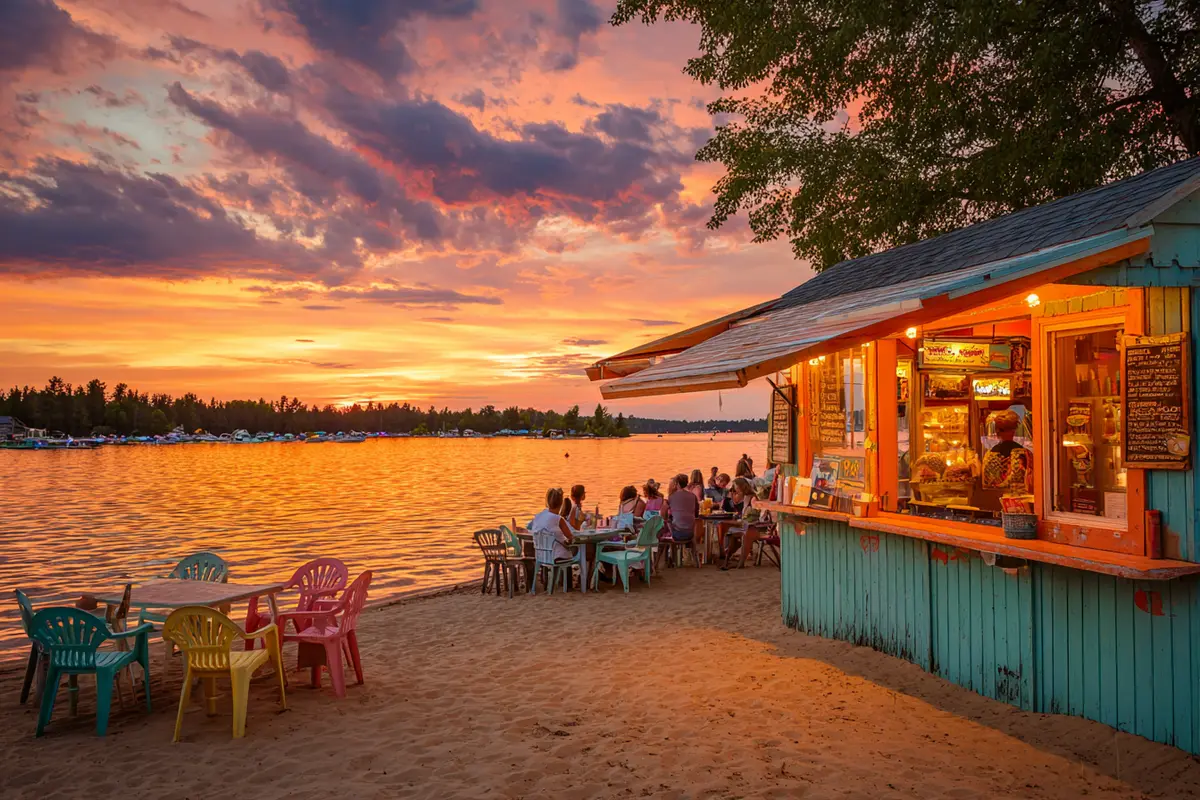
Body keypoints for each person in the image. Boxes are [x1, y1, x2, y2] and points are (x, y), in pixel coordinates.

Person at [982, 409, 1033, 493]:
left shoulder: (990, 454)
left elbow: (987, 482)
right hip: (1017, 496)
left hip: (995, 495)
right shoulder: (1024, 453)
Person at [720, 477, 762, 569]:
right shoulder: (745, 497)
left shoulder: (752, 498)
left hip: (754, 526)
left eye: (735, 487)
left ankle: (739, 562)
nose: (734, 490)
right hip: (747, 524)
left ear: (740, 487)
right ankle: (727, 558)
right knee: (730, 532)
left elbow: (758, 513)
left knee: (744, 533)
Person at [528, 487, 576, 562]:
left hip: (541, 556)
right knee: (577, 553)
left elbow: (530, 528)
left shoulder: (538, 516)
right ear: (561, 503)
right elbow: (571, 537)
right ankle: (582, 573)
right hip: (557, 556)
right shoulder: (558, 519)